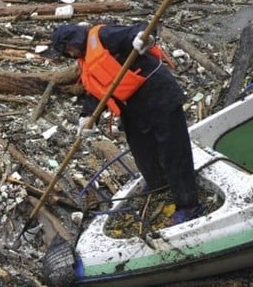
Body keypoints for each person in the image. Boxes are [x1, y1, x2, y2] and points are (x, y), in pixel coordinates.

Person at [49, 22, 204, 226]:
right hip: (134, 108)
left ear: (74, 40)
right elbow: (97, 89)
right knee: (142, 150)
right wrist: (88, 116)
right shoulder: (84, 60)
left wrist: (143, 38)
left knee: (173, 151)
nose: (69, 53)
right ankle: (159, 183)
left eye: (68, 48)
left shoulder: (103, 35)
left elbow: (139, 30)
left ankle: (188, 205)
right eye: (66, 52)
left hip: (158, 96)